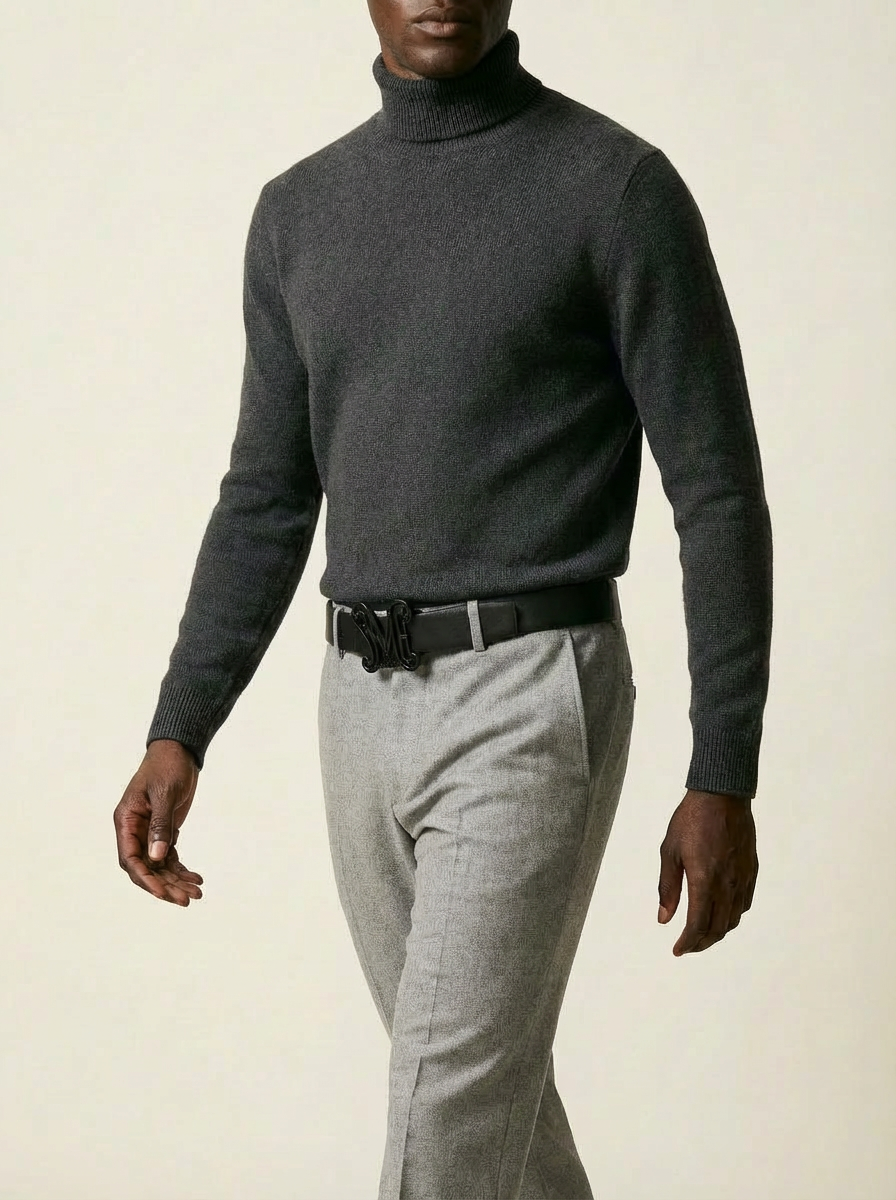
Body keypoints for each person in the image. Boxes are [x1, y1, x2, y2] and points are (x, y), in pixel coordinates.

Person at [113, 1, 773, 1196]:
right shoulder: (298, 212)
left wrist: (720, 770)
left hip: (531, 694)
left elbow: (715, 490)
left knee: (445, 1110)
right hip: (355, 707)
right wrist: (180, 726)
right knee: (484, 1106)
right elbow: (266, 496)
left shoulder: (613, 188)